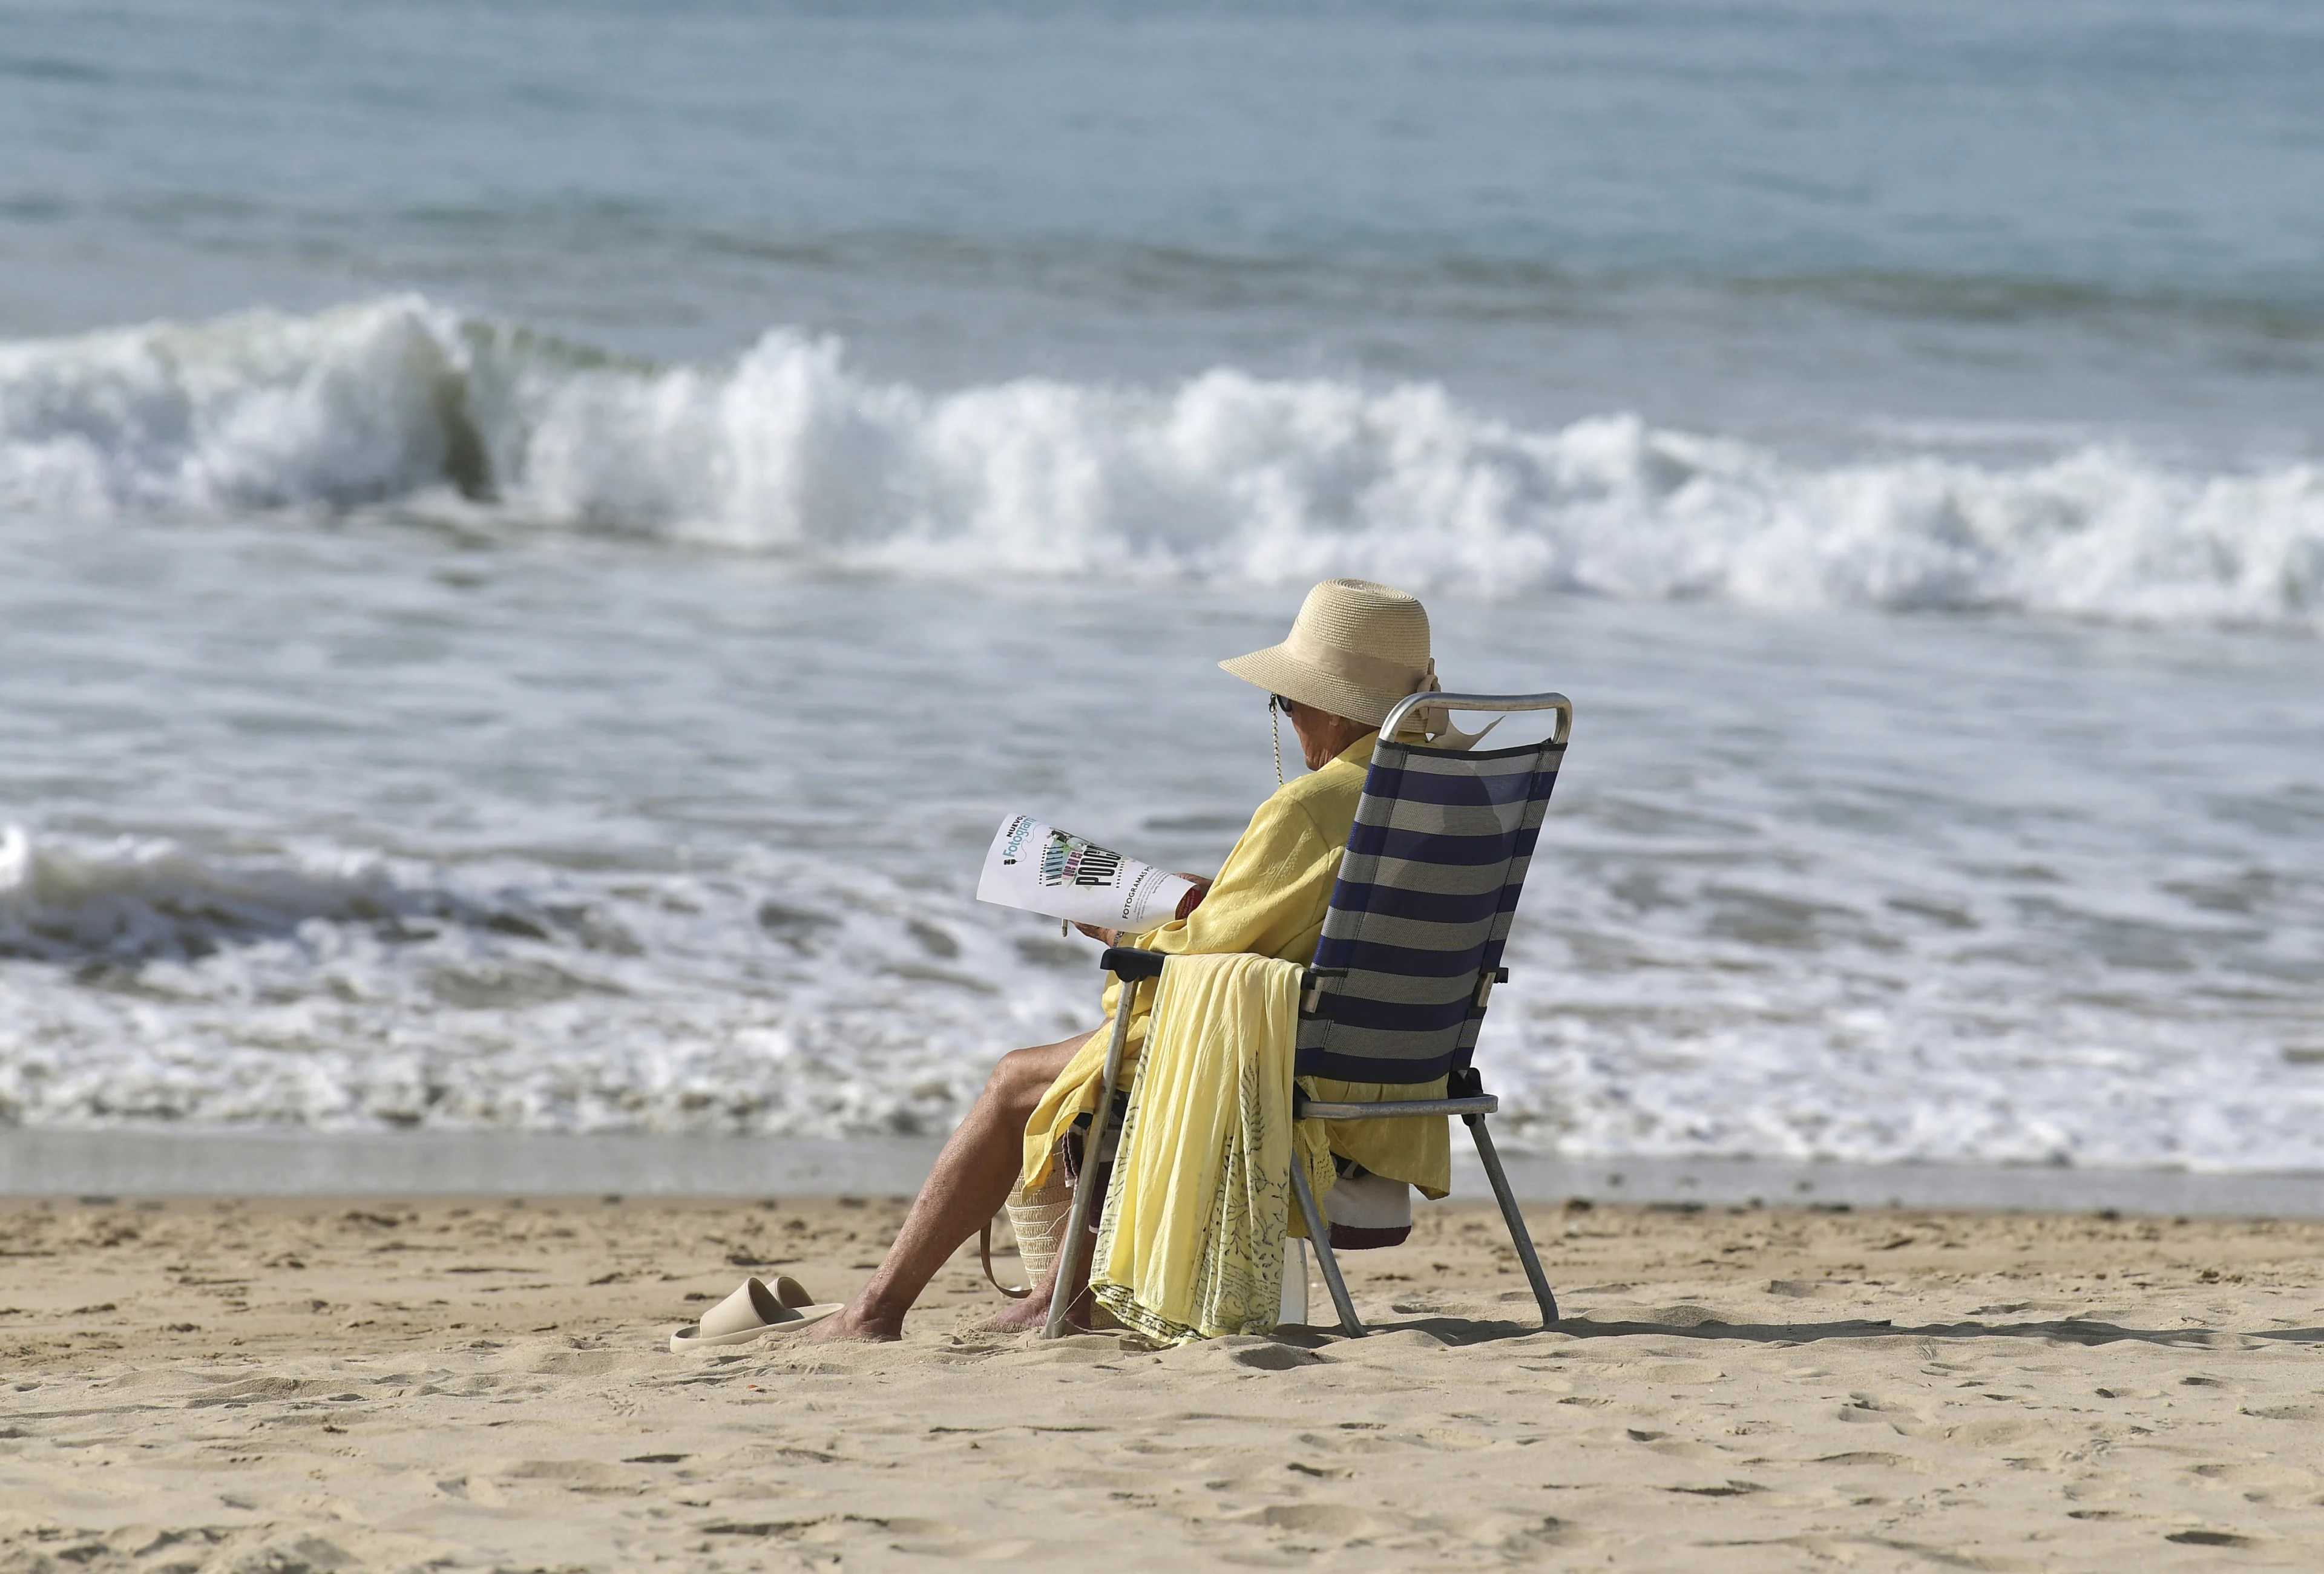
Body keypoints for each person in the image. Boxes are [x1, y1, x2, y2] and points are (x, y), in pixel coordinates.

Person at [810, 579, 1463, 1342]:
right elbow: (1350, 926)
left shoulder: (1312, 808)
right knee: (1093, 1063)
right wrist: (1216, 897)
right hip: (1401, 1064)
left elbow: (1191, 964)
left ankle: (874, 1313)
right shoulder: (1450, 793)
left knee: (1018, 1078)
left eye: (1288, 702)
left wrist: (1118, 932)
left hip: (1291, 1064)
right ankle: (1061, 1296)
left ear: (1334, 705)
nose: (1286, 719)